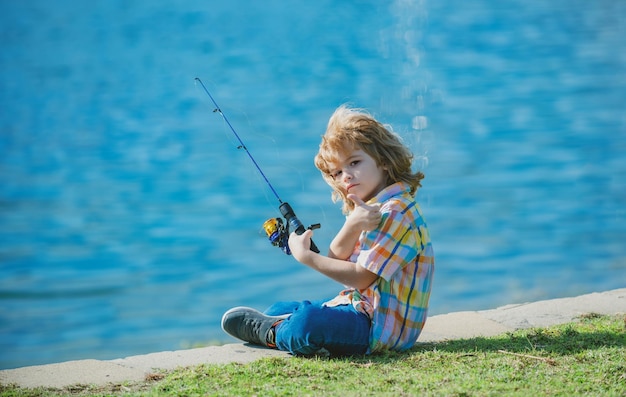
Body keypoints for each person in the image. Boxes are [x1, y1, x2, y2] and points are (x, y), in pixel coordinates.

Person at [221, 105, 434, 356]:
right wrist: (352, 224)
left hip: (377, 329)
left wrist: (307, 257)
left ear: (384, 162)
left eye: (354, 162)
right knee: (279, 307)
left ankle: (277, 332)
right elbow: (336, 260)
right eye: (338, 172)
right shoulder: (371, 208)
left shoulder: (395, 212)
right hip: (360, 309)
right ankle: (279, 325)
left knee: (307, 323)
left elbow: (361, 277)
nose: (346, 176)